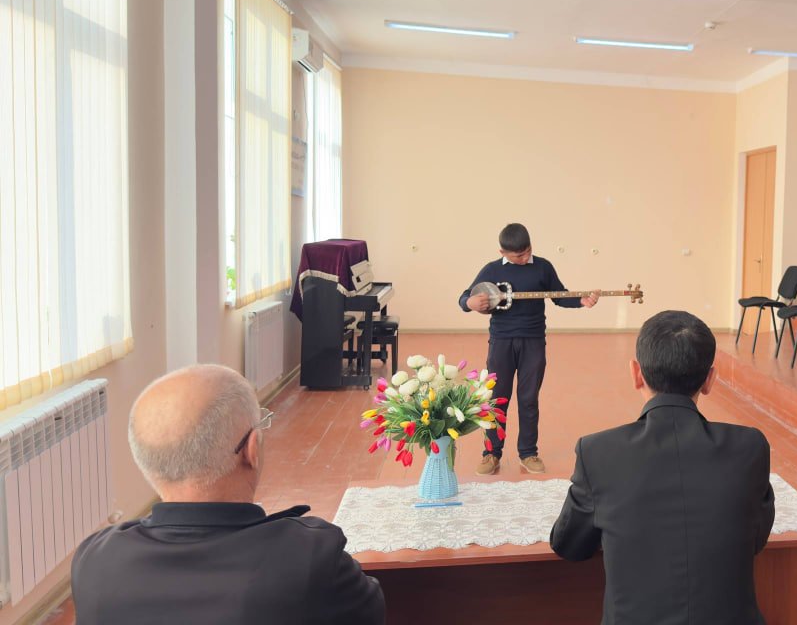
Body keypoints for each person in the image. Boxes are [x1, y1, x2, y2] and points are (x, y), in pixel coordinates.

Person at [71, 365, 384, 625]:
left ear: (147, 463)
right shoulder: (312, 556)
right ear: (252, 450)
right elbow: (372, 612)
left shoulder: (95, 562)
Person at [551, 311, 775, 624]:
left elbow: (570, 545)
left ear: (636, 373)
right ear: (710, 380)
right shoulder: (749, 447)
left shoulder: (598, 452)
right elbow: (756, 539)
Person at [461, 223, 599, 475]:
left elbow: (559, 296)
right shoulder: (492, 269)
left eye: (528, 252)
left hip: (533, 342)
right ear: (502, 252)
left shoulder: (543, 267)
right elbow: (464, 298)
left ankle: (528, 453)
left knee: (528, 399)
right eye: (518, 256)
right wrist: (470, 302)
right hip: (501, 342)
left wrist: (581, 300)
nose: (525, 258)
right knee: (496, 399)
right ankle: (491, 453)